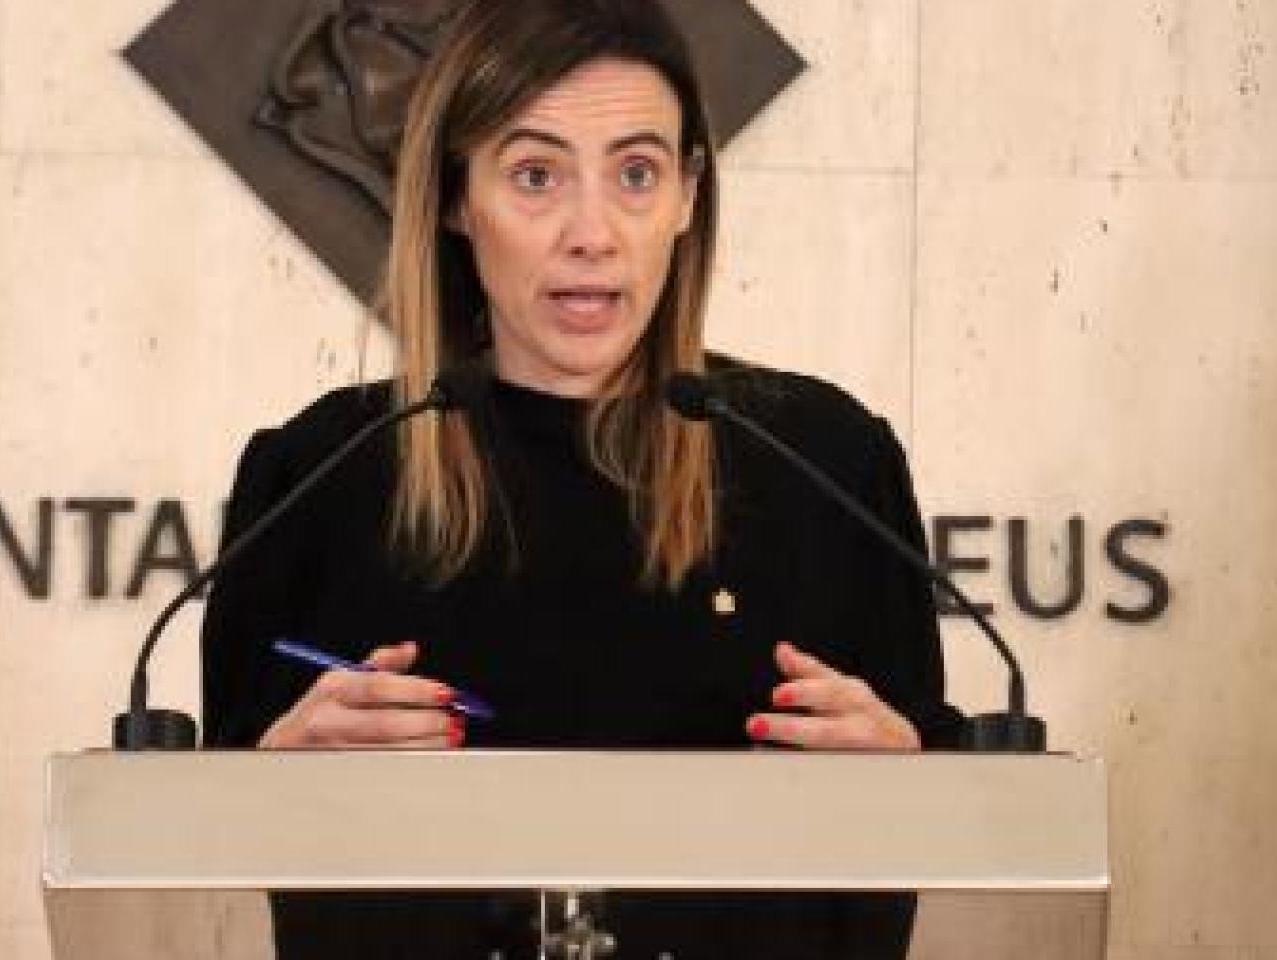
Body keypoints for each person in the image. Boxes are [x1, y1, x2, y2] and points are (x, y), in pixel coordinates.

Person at [202, 0, 963, 955]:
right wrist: (260, 785)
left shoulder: (828, 467)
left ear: (687, 196)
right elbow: (198, 864)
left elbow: (943, 820)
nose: (591, 232)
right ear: (454, 199)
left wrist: (916, 787)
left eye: (636, 174)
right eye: (536, 175)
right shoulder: (319, 477)